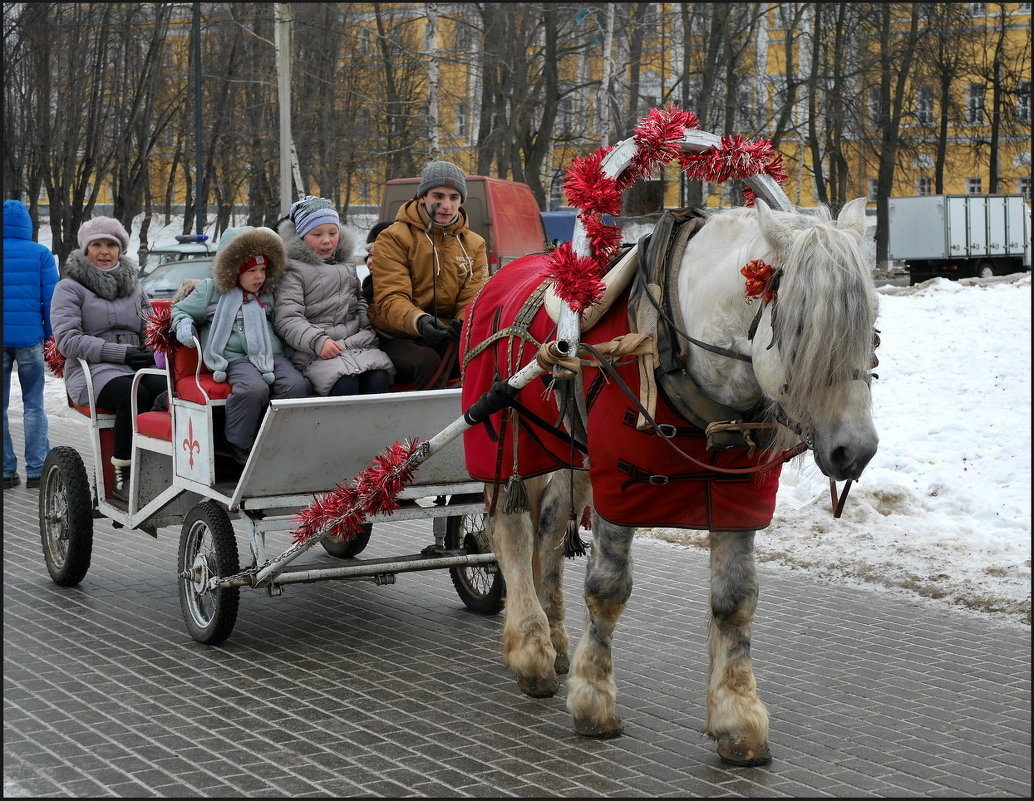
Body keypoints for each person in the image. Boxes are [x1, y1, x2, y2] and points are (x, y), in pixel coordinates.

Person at [171, 226, 310, 465]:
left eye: (263, 270)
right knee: (252, 389)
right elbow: (180, 310)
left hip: (270, 354)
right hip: (234, 357)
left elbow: (282, 319)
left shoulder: (267, 292)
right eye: (252, 271)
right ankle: (238, 442)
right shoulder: (209, 290)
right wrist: (184, 326)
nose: (259, 277)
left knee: (297, 386)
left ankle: (280, 440)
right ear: (233, 269)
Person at [50, 216, 163, 500]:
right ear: (85, 249)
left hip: (135, 365)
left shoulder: (135, 287)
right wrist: (121, 352)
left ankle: (164, 467)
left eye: (111, 245)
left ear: (120, 249)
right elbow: (67, 340)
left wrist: (151, 348)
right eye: (97, 244)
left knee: (166, 393)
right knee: (132, 394)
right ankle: (123, 475)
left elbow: (149, 328)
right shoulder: (69, 288)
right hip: (93, 369)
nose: (104, 251)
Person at [368, 160, 488, 389]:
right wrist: (420, 321)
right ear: (422, 196)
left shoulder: (475, 244)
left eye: (454, 198)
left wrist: (462, 322)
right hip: (398, 335)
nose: (446, 205)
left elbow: (473, 297)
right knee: (427, 361)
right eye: (438, 196)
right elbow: (390, 297)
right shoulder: (393, 237)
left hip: (445, 333)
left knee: (480, 356)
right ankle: (424, 424)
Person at [274, 197, 394, 396]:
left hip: (356, 343)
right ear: (302, 236)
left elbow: (358, 299)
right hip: (316, 350)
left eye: (333, 232)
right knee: (344, 385)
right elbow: (287, 318)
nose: (327, 240)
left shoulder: (346, 262)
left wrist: (366, 325)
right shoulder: (292, 269)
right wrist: (318, 342)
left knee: (378, 379)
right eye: (317, 234)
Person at [3, 199, 60, 489]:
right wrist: (53, 340)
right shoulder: (41, 254)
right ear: (27, 225)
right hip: (30, 340)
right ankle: (37, 470)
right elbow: (51, 302)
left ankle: (5, 471)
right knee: (34, 405)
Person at [361, 221, 392, 305]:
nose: (370, 261)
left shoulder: (398, 295)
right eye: (370, 255)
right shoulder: (368, 287)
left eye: (377, 255)